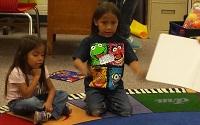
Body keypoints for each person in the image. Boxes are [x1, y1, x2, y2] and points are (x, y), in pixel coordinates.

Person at [73, 2, 143, 117]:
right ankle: (95, 101)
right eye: (104, 23)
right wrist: (83, 69)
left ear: (118, 22)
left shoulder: (122, 42)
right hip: (94, 87)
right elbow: (77, 59)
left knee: (126, 111)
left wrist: (138, 70)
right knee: (95, 111)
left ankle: (107, 101)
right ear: (96, 22)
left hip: (115, 87)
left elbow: (132, 60)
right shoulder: (89, 41)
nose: (109, 27)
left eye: (113, 23)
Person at [4, 35, 71, 124]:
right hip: (18, 103)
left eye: (42, 55)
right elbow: (26, 95)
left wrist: (49, 102)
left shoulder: (43, 68)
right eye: (35, 55)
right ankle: (58, 109)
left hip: (37, 99)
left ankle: (48, 114)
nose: (40, 58)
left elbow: (52, 89)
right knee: (33, 102)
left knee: (62, 94)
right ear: (23, 55)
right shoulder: (17, 71)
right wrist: (36, 77)